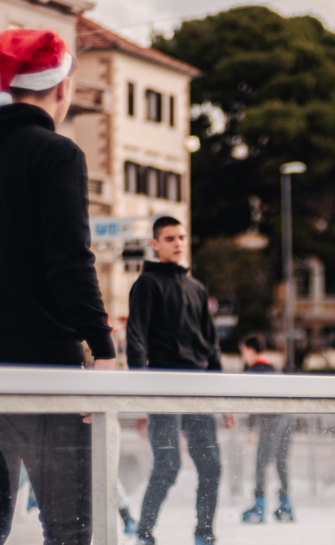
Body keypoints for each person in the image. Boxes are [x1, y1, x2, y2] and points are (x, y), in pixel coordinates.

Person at [0, 29, 116, 545]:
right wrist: (101, 347)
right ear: (63, 87)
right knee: (70, 527)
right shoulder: (57, 155)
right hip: (45, 372)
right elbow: (69, 262)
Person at [126, 216, 232, 545]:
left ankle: (204, 533)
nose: (178, 243)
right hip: (162, 387)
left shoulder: (197, 289)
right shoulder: (146, 284)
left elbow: (212, 348)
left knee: (211, 466)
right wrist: (142, 397)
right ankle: (144, 534)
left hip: (199, 388)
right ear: (155, 244)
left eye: (182, 237)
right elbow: (136, 340)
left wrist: (224, 400)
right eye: (170, 238)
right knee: (168, 465)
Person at [238, 333, 294, 524]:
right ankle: (286, 506)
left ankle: (260, 507)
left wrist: (251, 428)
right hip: (288, 417)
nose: (243, 356)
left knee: (261, 462)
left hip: (272, 419)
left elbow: (253, 401)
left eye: (243, 352)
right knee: (281, 461)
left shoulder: (254, 371)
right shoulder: (274, 369)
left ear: (250, 350)